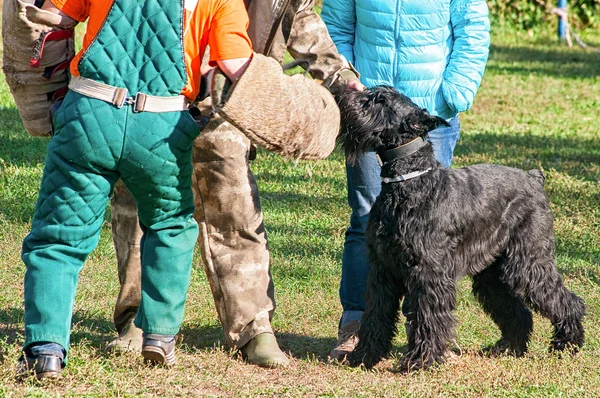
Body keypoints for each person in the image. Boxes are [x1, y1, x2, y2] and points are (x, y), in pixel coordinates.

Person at [19, 0, 339, 379]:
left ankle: (47, 350)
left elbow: (51, 20)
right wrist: (306, 117)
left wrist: (57, 94)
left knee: (58, 240)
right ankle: (157, 336)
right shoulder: (222, 2)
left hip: (89, 112)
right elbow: (237, 68)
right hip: (161, 125)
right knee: (171, 228)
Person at [103, 0, 363, 369]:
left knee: (237, 210)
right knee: (137, 209)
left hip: (227, 98)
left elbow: (302, 24)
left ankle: (254, 329)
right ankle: (139, 321)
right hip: (148, 93)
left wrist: (341, 78)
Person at [322, 0, 491, 360]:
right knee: (367, 219)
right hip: (371, 110)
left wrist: (454, 93)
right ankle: (357, 325)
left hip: (429, 109)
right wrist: (349, 81)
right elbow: (336, 23)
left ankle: (429, 335)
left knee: (431, 239)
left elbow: (473, 28)